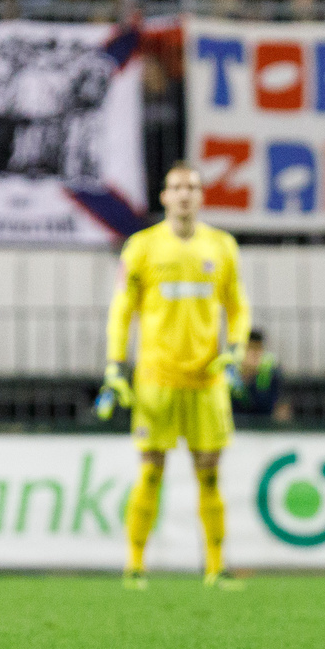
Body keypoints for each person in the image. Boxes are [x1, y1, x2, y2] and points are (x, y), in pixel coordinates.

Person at [104, 162, 251, 590]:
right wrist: (115, 365)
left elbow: (238, 306)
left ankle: (216, 567)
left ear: (201, 196)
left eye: (192, 187)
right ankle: (134, 565)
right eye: (176, 187)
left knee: (209, 473)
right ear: (164, 197)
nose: (184, 194)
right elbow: (121, 311)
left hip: (207, 380)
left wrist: (236, 349)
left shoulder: (222, 246)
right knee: (151, 470)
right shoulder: (142, 247)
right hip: (156, 379)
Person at [231, 329, 292, 422]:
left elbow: (282, 409)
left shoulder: (272, 370)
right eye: (250, 348)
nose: (255, 353)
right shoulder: (230, 371)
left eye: (259, 348)